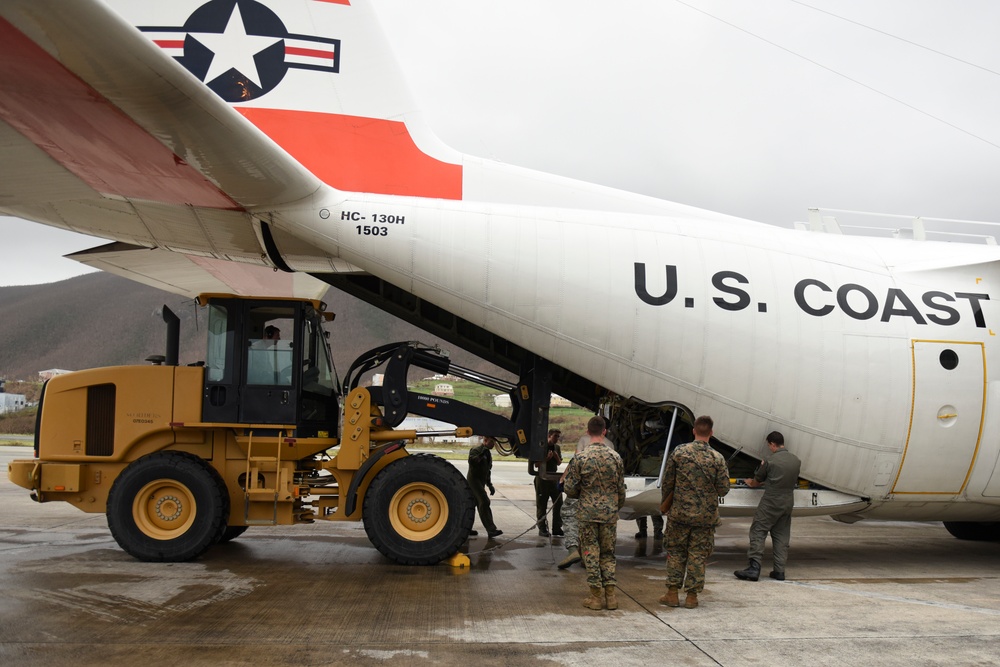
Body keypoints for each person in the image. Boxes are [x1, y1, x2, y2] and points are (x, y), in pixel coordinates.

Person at [659, 415, 731, 609]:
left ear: (694, 431)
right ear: (711, 433)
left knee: (675, 553)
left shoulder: (680, 453)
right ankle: (692, 597)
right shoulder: (717, 458)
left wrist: (665, 504)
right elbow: (724, 489)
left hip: (679, 515)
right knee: (697, 555)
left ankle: (672, 594)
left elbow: (667, 482)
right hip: (705, 518)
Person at [563, 416, 626, 611]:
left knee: (590, 552)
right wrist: (614, 506)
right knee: (608, 554)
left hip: (588, 514)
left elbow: (570, 489)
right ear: (604, 431)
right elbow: (621, 490)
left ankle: (595, 597)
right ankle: (611, 596)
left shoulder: (581, 457)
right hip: (609, 514)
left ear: (588, 432)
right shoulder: (615, 457)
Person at [734, 431, 802, 582]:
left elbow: (756, 482)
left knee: (758, 530)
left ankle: (754, 568)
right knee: (781, 536)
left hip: (771, 501)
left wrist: (749, 482)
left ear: (772, 444)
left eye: (768, 445)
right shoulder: (796, 461)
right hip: (787, 502)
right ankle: (779, 571)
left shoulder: (770, 461)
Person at [467, 436, 503, 538]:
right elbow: (472, 461)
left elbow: (487, 471)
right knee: (484, 502)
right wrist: (480, 456)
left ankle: (465, 528)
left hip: (481, 481)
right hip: (473, 480)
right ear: (485, 441)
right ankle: (491, 530)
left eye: (494, 442)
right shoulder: (476, 450)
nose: (493, 444)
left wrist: (489, 484)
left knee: (471, 504)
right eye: (491, 442)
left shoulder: (488, 454)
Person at [533, 429, 564, 537]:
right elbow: (536, 465)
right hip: (542, 479)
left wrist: (556, 457)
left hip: (553, 478)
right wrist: (546, 459)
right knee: (542, 504)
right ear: (549, 436)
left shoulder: (557, 448)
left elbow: (559, 462)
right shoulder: (541, 447)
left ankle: (557, 527)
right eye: (555, 436)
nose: (557, 439)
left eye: (558, 437)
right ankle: (542, 528)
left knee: (558, 503)